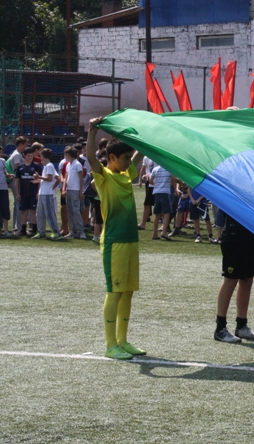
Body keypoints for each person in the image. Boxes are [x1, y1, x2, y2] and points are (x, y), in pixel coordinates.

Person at [87, 116, 147, 360]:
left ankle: (123, 341)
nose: (127, 162)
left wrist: (142, 135)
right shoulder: (104, 176)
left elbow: (138, 155)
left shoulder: (125, 174)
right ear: (111, 158)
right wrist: (92, 130)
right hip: (114, 242)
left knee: (128, 291)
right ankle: (111, 344)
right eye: (123, 158)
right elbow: (91, 157)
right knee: (114, 292)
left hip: (131, 240)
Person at [213, 213, 254, 343]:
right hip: (234, 233)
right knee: (230, 280)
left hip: (252, 232)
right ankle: (220, 328)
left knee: (247, 279)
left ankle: (241, 325)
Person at [32, 148, 61, 240]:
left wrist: (38, 177)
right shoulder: (47, 166)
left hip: (47, 193)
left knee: (49, 213)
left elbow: (49, 178)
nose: (40, 159)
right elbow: (57, 178)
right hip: (43, 192)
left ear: (44, 157)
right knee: (39, 213)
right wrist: (39, 180)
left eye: (41, 157)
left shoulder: (49, 165)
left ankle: (56, 232)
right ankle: (41, 232)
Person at [14, 147, 42, 236]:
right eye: (28, 156)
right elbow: (17, 181)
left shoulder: (36, 166)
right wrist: (17, 193)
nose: (30, 157)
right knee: (23, 211)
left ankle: (34, 229)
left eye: (31, 156)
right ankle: (23, 230)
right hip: (23, 193)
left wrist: (38, 192)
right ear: (24, 156)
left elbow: (40, 180)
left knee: (33, 211)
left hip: (33, 193)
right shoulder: (20, 168)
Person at [62, 147, 86, 239]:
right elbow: (66, 177)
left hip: (75, 190)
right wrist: (64, 189)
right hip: (69, 190)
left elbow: (81, 179)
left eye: (65, 154)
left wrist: (81, 192)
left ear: (68, 155)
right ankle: (73, 230)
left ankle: (81, 231)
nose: (65, 156)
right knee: (70, 210)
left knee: (76, 211)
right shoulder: (68, 165)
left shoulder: (78, 164)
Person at [7, 136, 27, 232]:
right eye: (25, 145)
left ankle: (16, 226)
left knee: (16, 204)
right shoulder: (17, 155)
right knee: (19, 203)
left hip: (14, 180)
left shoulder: (17, 154)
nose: (25, 147)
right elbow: (19, 169)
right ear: (20, 145)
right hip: (16, 181)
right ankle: (19, 227)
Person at [149, 163, 173, 241]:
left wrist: (157, 185)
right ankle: (164, 232)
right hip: (165, 192)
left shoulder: (155, 169)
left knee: (157, 214)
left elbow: (150, 181)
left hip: (156, 192)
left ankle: (154, 233)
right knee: (167, 213)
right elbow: (173, 180)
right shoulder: (168, 170)